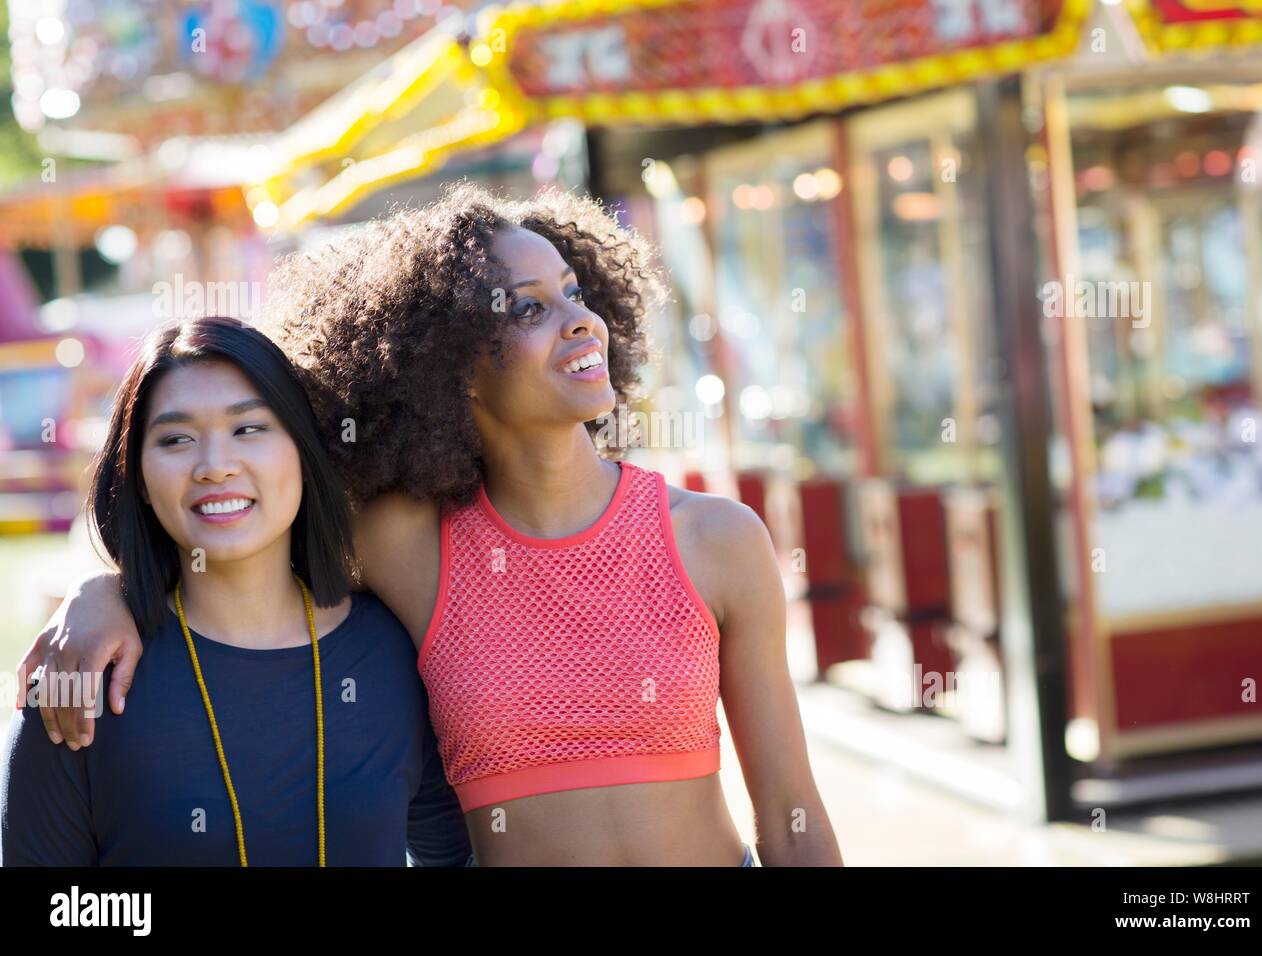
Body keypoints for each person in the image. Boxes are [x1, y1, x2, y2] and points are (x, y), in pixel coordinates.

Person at [20, 183, 842, 866]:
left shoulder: (716, 540)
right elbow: (233, 525)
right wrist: (101, 595)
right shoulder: (407, 545)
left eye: (574, 294)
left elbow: (791, 810)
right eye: (526, 310)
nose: (578, 321)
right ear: (447, 363)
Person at [2, 318, 469, 866]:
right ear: (141, 483)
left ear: (302, 449)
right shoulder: (80, 676)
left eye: (248, 429)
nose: (216, 467)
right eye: (176, 439)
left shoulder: (393, 650)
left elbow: (454, 857)